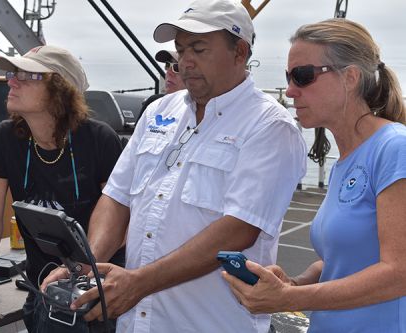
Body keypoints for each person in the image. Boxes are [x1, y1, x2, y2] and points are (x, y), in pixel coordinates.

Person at [43, 1, 306, 332]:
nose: (185, 61)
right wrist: (87, 265)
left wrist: (140, 282)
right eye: (181, 50)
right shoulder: (158, 113)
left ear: (239, 52)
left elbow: (240, 227)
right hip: (138, 323)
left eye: (198, 49)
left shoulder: (270, 126)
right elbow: (117, 196)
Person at [223, 19, 406, 333]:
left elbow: (399, 272)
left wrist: (289, 297)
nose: (291, 90)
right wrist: (296, 281)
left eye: (302, 76)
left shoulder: (394, 149)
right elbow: (344, 259)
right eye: (288, 77)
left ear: (350, 78)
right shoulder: (345, 161)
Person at [0, 45, 124, 333]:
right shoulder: (6, 138)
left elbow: (120, 221)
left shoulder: (99, 140)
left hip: (98, 295)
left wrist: (84, 273)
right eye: (13, 73)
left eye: (27, 75)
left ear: (61, 89)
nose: (11, 81)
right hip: (41, 292)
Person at [138, 49, 186, 120]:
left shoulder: (201, 112)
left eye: (177, 67)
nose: (169, 72)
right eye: (167, 65)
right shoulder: (153, 104)